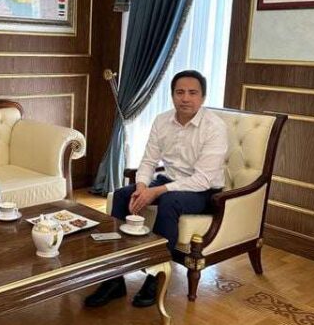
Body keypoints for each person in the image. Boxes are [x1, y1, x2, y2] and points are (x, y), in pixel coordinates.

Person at [85, 70, 228, 308]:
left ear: (202, 97)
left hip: (203, 192)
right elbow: (149, 161)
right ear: (172, 95)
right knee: (122, 195)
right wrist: (142, 186)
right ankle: (114, 278)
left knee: (170, 201)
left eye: (192, 93)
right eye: (180, 92)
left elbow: (202, 180)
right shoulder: (162, 120)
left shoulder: (215, 127)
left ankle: (155, 277)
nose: (185, 98)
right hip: (168, 181)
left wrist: (156, 192)